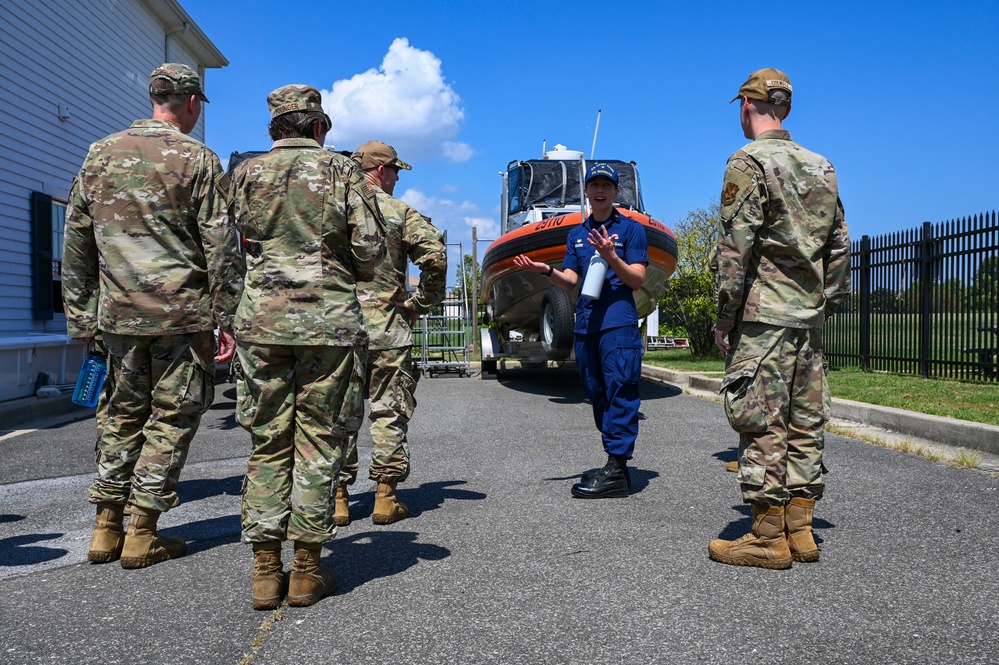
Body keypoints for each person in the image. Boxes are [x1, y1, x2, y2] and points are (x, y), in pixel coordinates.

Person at [62, 63, 242, 569]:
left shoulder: (100, 153)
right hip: (181, 318)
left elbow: (75, 241)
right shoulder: (197, 159)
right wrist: (228, 317)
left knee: (119, 416)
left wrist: (81, 316)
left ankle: (105, 528)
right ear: (191, 102)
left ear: (154, 97)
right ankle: (142, 531)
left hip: (116, 317)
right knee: (171, 418)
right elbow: (222, 246)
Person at [231, 85, 386, 610]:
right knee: (318, 441)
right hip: (327, 322)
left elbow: (227, 247)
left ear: (274, 127)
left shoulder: (245, 173)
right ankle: (305, 571)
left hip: (261, 323)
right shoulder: (342, 172)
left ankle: (264, 571)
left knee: (267, 441)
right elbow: (369, 250)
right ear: (319, 126)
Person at [708, 68, 851, 569]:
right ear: (784, 108)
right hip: (806, 318)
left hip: (764, 315)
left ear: (746, 105)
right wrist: (821, 304)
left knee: (761, 421)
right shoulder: (822, 166)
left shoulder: (747, 161)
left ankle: (768, 540)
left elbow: (735, 250)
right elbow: (839, 247)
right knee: (804, 420)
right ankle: (802, 531)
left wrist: (725, 319)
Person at [513, 163, 648, 499]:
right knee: (596, 393)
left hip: (617, 324)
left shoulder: (631, 231)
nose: (600, 191)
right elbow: (571, 281)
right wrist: (546, 270)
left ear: (616, 192)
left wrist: (610, 257)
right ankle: (616, 463)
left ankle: (617, 466)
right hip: (586, 325)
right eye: (594, 185)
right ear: (586, 192)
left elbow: (637, 279)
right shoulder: (577, 234)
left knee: (620, 390)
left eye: (607, 185)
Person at [334, 140, 447, 526]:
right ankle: (385, 497)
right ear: (382, 170)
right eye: (396, 171)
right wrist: (420, 303)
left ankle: (338, 498)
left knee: (338, 414)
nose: (398, 178)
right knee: (389, 411)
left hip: (339, 329)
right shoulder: (398, 211)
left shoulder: (333, 209)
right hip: (387, 329)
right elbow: (434, 255)